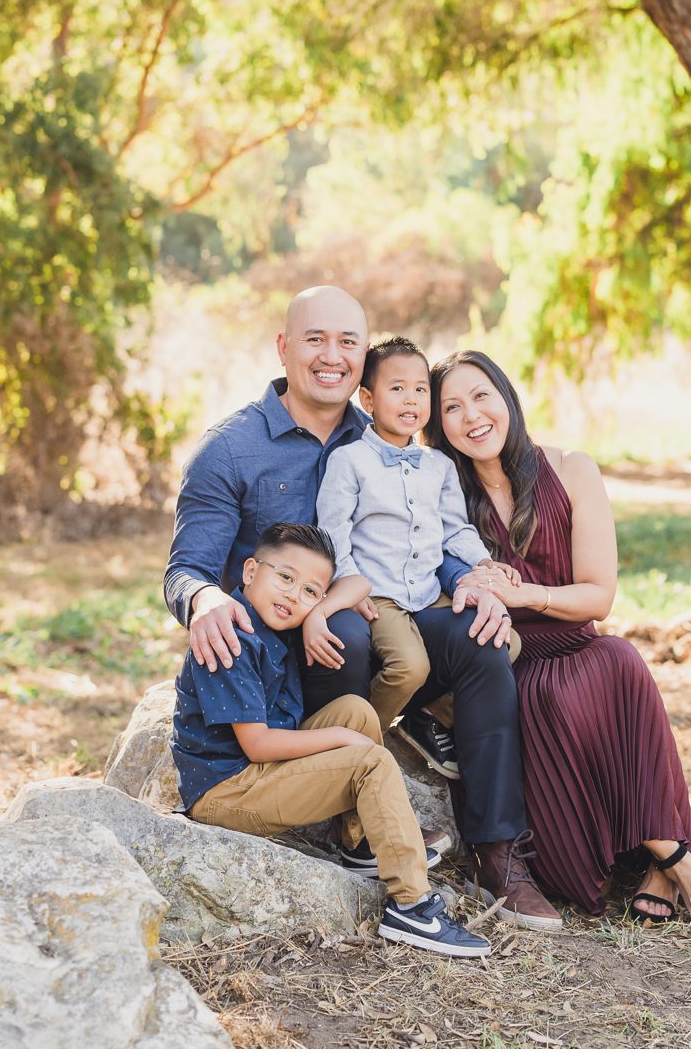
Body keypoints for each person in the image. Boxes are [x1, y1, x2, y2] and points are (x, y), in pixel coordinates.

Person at [163, 284, 561, 929]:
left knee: (482, 640)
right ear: (284, 347)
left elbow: (433, 530)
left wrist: (474, 582)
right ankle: (350, 813)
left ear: (364, 358)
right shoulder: (231, 449)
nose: (332, 355)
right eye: (315, 339)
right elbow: (186, 570)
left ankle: (497, 851)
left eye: (348, 341)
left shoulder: (389, 432)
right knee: (346, 626)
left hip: (387, 614)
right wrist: (204, 598)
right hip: (290, 659)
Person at [428, 349, 691, 937]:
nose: (472, 416)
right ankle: (670, 862)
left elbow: (599, 596)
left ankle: (678, 868)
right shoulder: (446, 498)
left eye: (481, 395)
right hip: (514, 668)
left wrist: (527, 596)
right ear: (439, 427)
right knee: (570, 870)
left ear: (507, 397)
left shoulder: (570, 469)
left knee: (617, 659)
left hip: (581, 648)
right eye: (452, 408)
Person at [173, 522, 486, 957]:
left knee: (356, 710)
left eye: (309, 592)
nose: (292, 596)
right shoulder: (232, 636)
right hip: (227, 789)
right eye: (284, 578)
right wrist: (340, 740)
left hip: (261, 772)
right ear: (249, 571)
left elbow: (360, 582)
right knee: (369, 760)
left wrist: (320, 610)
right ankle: (412, 906)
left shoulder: (276, 626)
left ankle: (358, 844)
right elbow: (258, 746)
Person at [313, 336, 524, 738]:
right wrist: (348, 585)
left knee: (505, 643)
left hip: (428, 590)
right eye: (397, 389)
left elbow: (455, 527)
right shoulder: (349, 461)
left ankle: (425, 715)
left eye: (421, 390)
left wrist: (483, 563)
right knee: (410, 667)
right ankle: (359, 740)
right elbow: (332, 530)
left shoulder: (438, 465)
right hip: (379, 594)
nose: (411, 400)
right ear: (368, 400)